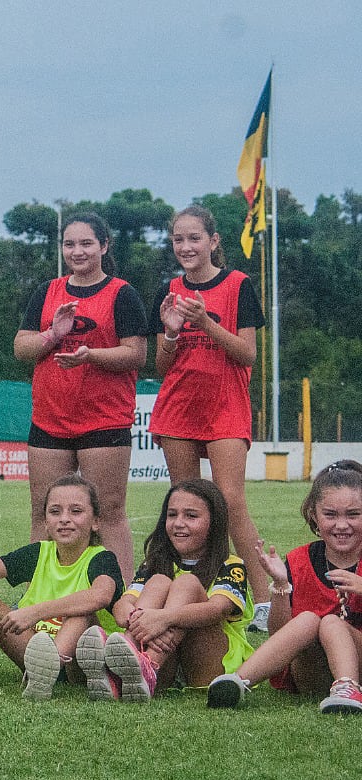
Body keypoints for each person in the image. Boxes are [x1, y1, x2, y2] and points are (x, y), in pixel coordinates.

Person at [151, 204, 269, 628]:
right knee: (186, 506)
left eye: (194, 238)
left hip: (225, 407)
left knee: (230, 500)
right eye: (178, 239)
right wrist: (170, 331)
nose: (186, 246)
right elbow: (161, 368)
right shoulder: (169, 290)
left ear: (213, 241)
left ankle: (265, 600)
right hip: (178, 409)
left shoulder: (238, 285)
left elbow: (247, 354)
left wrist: (205, 322)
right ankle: (197, 597)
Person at [14, 213, 147, 580]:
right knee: (44, 512)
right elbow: (21, 348)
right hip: (49, 419)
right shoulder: (47, 291)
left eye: (86, 243)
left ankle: (120, 595)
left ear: (104, 246)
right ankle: (40, 590)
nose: (78, 251)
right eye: (69, 244)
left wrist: (91, 355)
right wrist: (53, 335)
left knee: (109, 512)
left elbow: (136, 353)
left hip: (104, 420)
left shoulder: (122, 293)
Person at [77, 479, 252, 703]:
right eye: (172, 515)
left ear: (214, 522)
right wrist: (141, 619)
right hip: (167, 669)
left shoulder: (230, 564)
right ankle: (130, 666)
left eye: (191, 516)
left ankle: (145, 665)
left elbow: (217, 609)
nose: (178, 523)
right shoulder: (155, 563)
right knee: (159, 581)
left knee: (186, 584)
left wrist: (163, 618)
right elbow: (121, 607)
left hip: (210, 665)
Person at [208, 461, 362, 713]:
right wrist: (281, 585)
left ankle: (348, 686)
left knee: (331, 623)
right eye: (330, 514)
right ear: (314, 515)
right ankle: (237, 682)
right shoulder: (299, 560)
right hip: (312, 673)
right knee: (308, 620)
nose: (342, 525)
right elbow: (279, 633)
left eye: (353, 514)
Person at [0, 473, 123, 699]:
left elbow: (100, 596)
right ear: (46, 522)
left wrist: (35, 612)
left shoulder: (102, 558)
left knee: (82, 611)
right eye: (55, 512)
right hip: (33, 653)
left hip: (81, 663)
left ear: (96, 522)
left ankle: (47, 668)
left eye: (76, 511)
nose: (64, 519)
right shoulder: (38, 553)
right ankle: (40, 672)